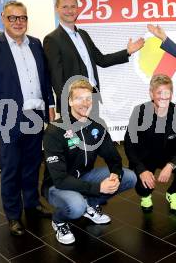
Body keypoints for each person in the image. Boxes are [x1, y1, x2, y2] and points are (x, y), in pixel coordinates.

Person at [0, 1, 56, 236]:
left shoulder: (36, 44)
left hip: (35, 114)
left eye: (23, 18)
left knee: (32, 163)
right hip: (7, 116)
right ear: (3, 19)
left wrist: (49, 103)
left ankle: (31, 204)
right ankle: (13, 215)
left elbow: (45, 77)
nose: (19, 22)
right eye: (13, 18)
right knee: (10, 167)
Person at [42, 79, 137, 245]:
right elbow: (60, 179)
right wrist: (98, 187)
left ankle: (90, 205)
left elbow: (114, 158)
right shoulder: (55, 131)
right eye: (79, 98)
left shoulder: (97, 127)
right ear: (70, 101)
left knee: (129, 176)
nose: (84, 103)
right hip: (57, 186)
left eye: (88, 98)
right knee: (76, 207)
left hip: (84, 179)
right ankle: (59, 221)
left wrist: (115, 174)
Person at [43, 0, 145, 115]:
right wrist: (71, 103)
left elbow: (102, 60)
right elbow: (56, 77)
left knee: (94, 134)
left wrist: (127, 52)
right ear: (57, 9)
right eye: (65, 7)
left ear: (78, 9)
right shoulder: (52, 39)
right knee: (74, 135)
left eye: (73, 6)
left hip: (92, 99)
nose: (70, 10)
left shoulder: (83, 35)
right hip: (73, 104)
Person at [124, 74, 176, 214]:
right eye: (159, 92)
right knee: (143, 187)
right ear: (151, 93)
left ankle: (172, 193)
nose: (163, 96)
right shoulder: (139, 112)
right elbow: (129, 144)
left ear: (171, 94)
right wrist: (141, 170)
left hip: (168, 155)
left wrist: (171, 164)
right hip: (145, 157)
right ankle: (146, 195)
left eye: (167, 92)